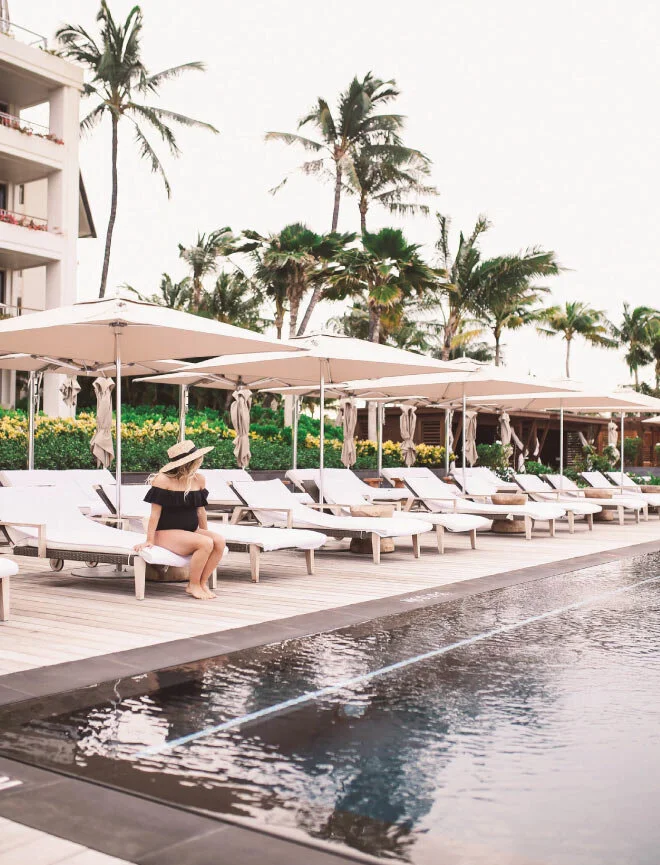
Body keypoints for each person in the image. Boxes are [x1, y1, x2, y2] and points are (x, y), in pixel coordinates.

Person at [133, 440, 225, 600]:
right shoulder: (163, 480)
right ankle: (193, 585)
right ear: (189, 462)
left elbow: (201, 512)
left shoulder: (199, 480)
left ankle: (202, 583)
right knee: (205, 543)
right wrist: (150, 540)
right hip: (165, 532)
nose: (200, 461)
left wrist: (204, 533)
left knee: (219, 541)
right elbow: (154, 515)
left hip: (190, 530)